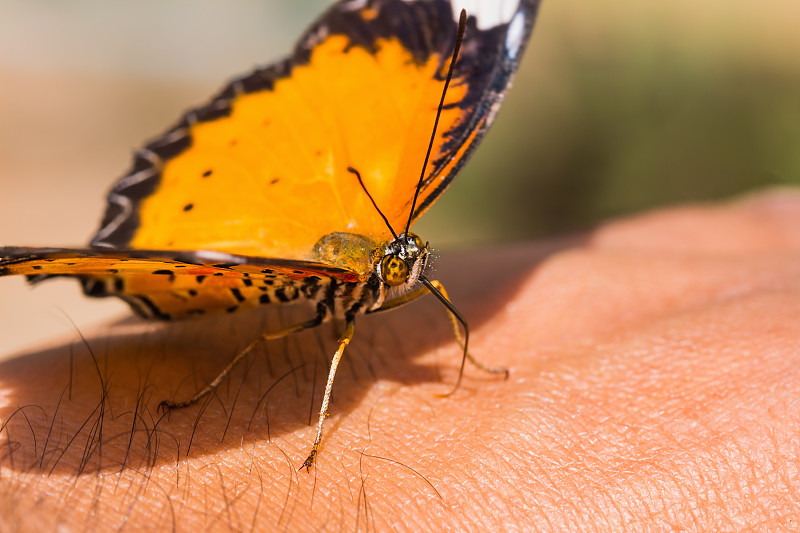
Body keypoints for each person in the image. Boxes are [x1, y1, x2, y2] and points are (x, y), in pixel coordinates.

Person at [1, 188, 798, 530]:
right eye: (401, 267)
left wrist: (469, 357)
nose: (417, 275)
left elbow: (430, 285)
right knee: (277, 333)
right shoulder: (344, 286)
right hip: (265, 267)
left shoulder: (408, 276)